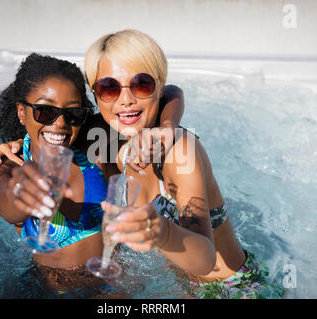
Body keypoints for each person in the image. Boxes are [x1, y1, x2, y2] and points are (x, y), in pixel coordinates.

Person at [83, 29, 285, 299]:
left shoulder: (180, 150)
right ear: (95, 95)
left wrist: (161, 232)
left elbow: (205, 257)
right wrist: (12, 146)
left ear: (158, 87)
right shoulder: (104, 140)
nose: (126, 99)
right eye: (109, 87)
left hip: (234, 291)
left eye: (141, 84)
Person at [0, 52, 185, 295]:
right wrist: (22, 196)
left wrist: (165, 129)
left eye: (73, 113)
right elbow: (3, 199)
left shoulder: (92, 144)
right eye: (45, 112)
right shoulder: (8, 164)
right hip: (46, 289)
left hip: (111, 287)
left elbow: (169, 93)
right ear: (22, 112)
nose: (60, 124)